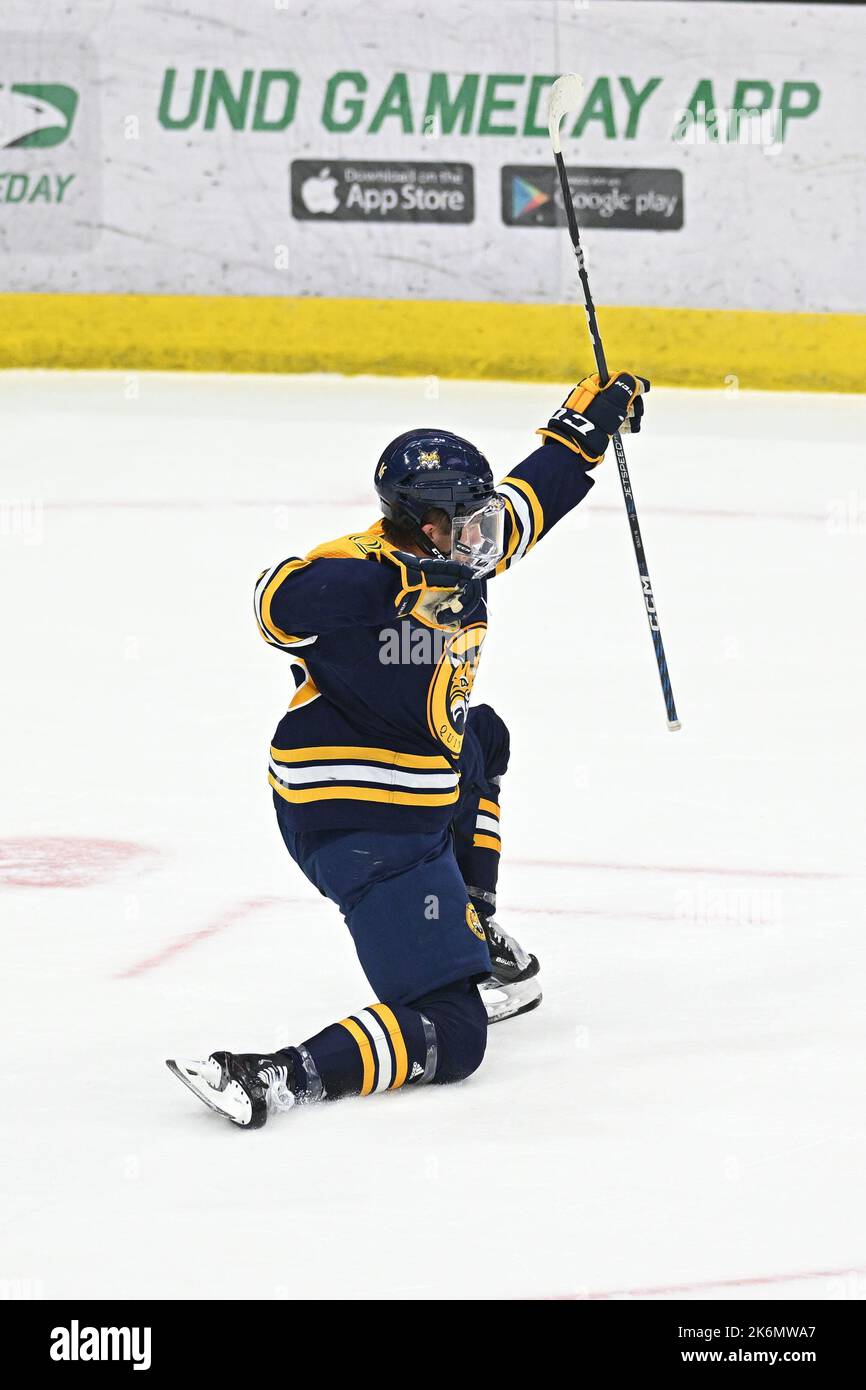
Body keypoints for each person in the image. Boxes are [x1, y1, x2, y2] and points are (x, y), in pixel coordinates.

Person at [167, 371, 649, 1127]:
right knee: (456, 1037)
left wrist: (581, 431)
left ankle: (474, 925)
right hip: (359, 822)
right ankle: (270, 1076)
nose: (486, 534)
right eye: (468, 521)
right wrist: (388, 589)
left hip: (413, 796)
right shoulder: (355, 567)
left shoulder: (464, 550)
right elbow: (274, 603)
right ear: (424, 524)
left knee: (482, 736)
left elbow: (528, 502)